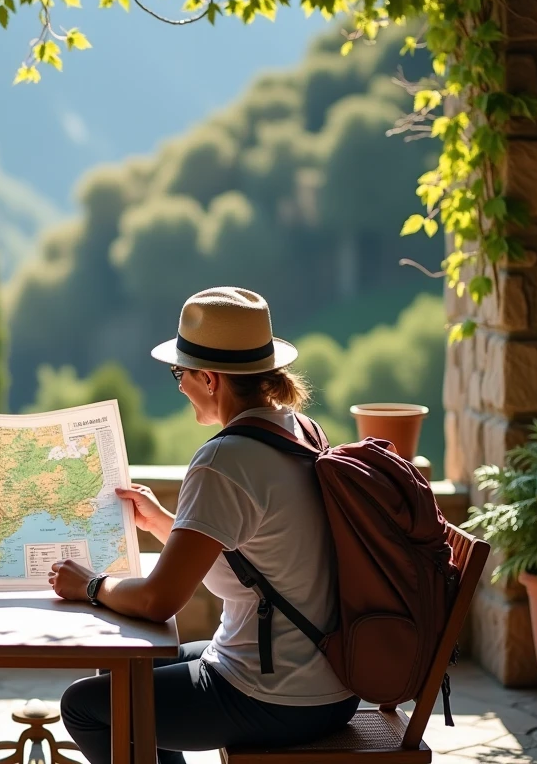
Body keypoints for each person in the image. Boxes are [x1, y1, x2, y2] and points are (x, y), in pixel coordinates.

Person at [50, 287, 360, 764]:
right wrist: (163, 523)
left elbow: (157, 601)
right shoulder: (298, 430)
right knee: (125, 673)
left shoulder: (223, 459)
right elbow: (258, 551)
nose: (177, 386)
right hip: (332, 683)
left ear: (210, 379)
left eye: (180, 373)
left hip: (272, 695)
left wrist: (91, 586)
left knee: (87, 706)